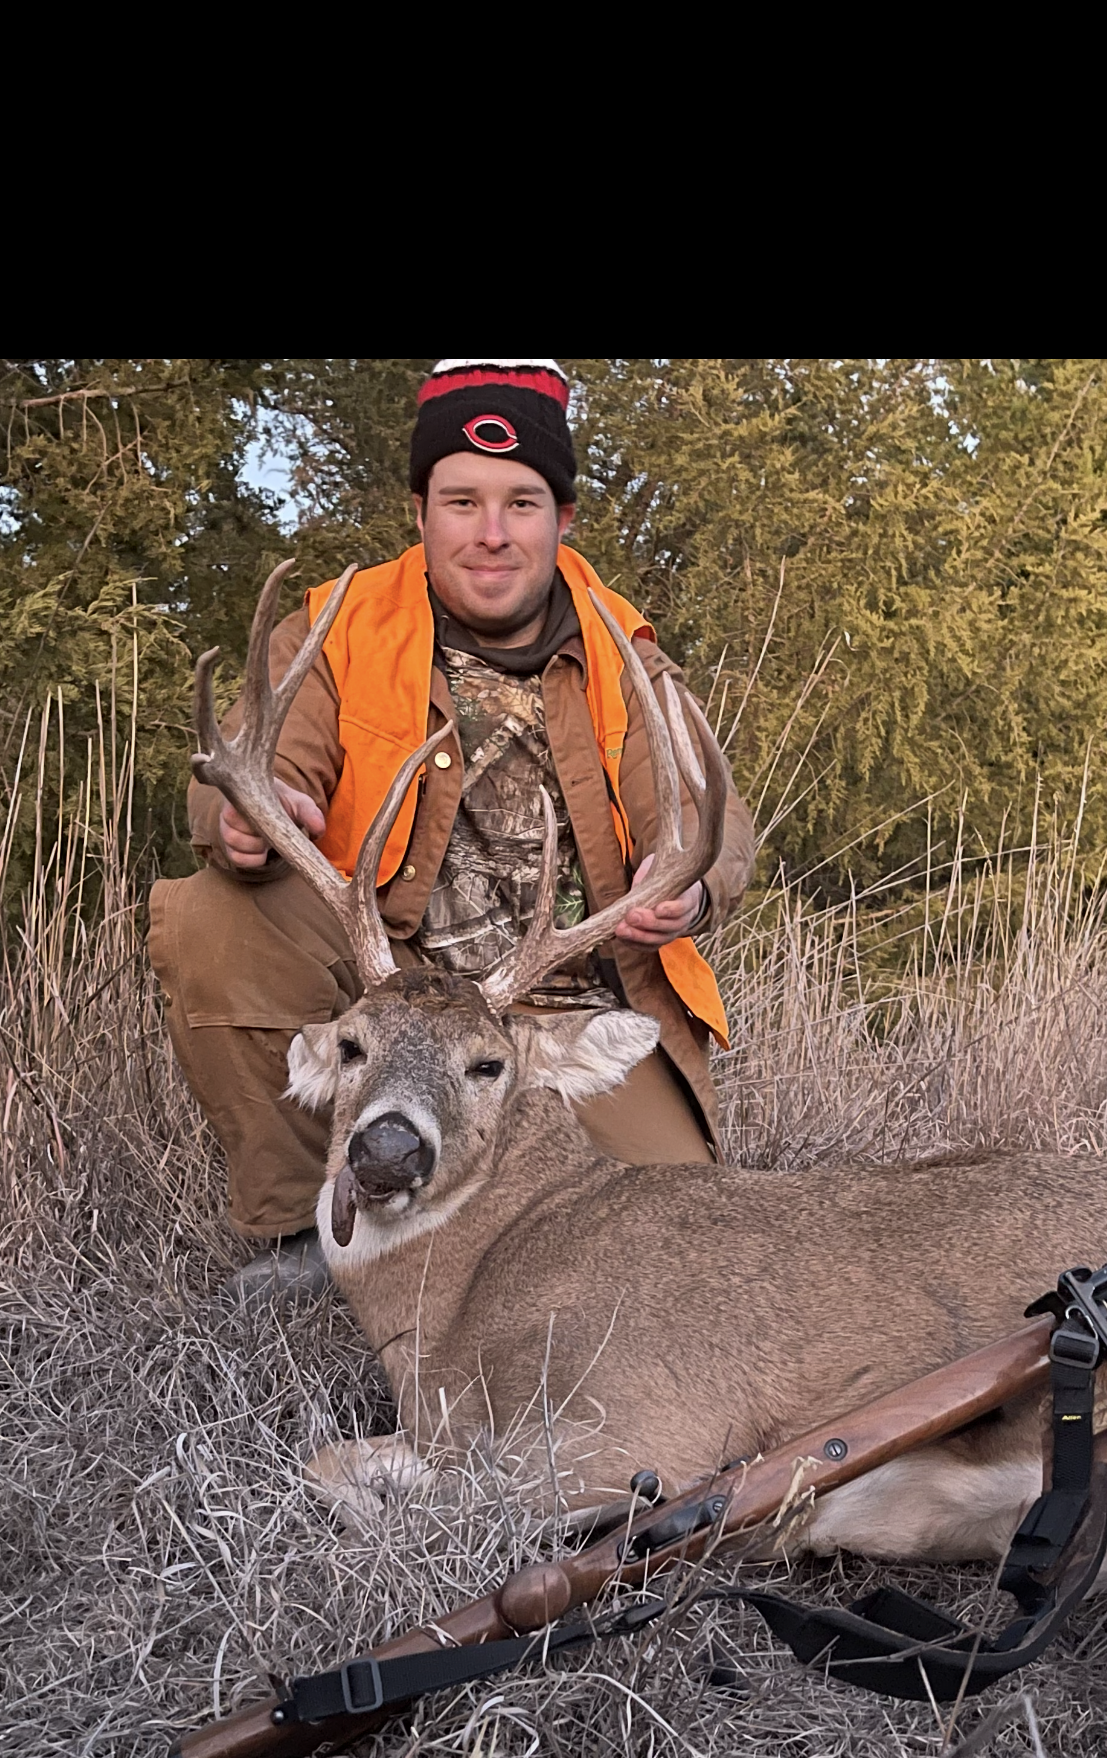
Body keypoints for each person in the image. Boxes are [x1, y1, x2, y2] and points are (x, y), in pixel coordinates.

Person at [150, 359, 757, 1297]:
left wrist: (691, 885)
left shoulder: (624, 651)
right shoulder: (340, 625)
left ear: (563, 520)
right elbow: (252, 762)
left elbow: (717, 823)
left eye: (521, 503)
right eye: (461, 501)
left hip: (553, 1011)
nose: (490, 534)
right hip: (387, 983)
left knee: (673, 1251)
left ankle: (463, 1226)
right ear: (421, 511)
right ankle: (302, 1237)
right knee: (214, 913)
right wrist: (243, 810)